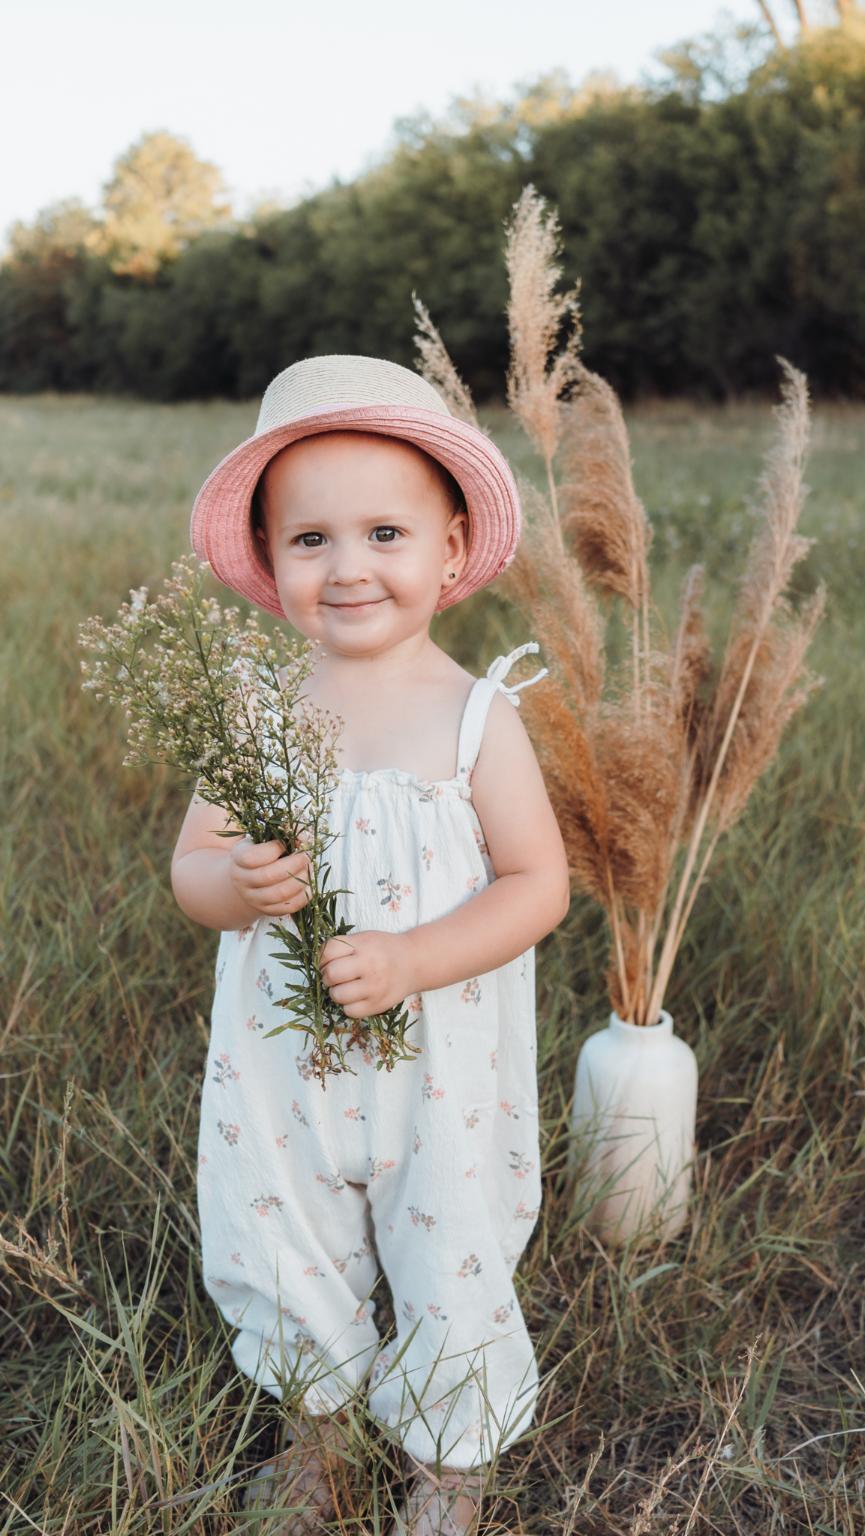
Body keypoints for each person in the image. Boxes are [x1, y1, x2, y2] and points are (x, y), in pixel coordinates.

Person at [170, 355, 570, 1534]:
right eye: (311, 540)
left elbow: (537, 884)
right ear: (269, 558)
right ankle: (315, 1431)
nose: (348, 567)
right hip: (280, 1062)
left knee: (450, 1242)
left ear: (451, 550)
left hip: (438, 1062)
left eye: (385, 533)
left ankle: (449, 1458)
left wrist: (412, 960)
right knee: (280, 1230)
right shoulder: (254, 715)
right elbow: (192, 872)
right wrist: (238, 884)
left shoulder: (476, 718)